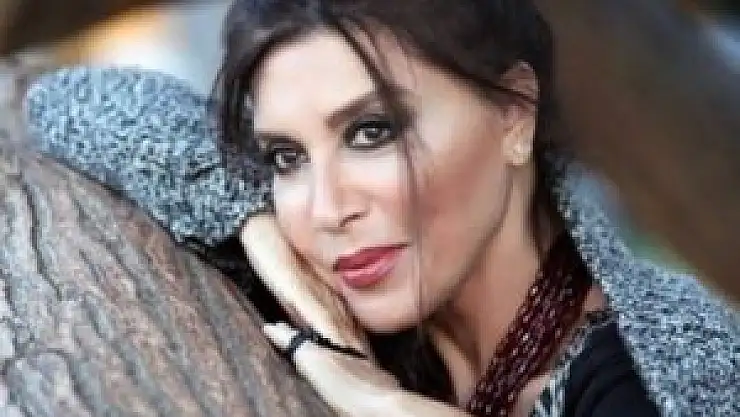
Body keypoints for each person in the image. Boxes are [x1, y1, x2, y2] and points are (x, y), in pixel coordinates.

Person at [24, 1, 738, 416]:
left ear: (515, 113)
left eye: (372, 132)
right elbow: (67, 100)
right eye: (286, 156)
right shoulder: (348, 297)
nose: (327, 208)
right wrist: (258, 226)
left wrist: (387, 404)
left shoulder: (654, 370)